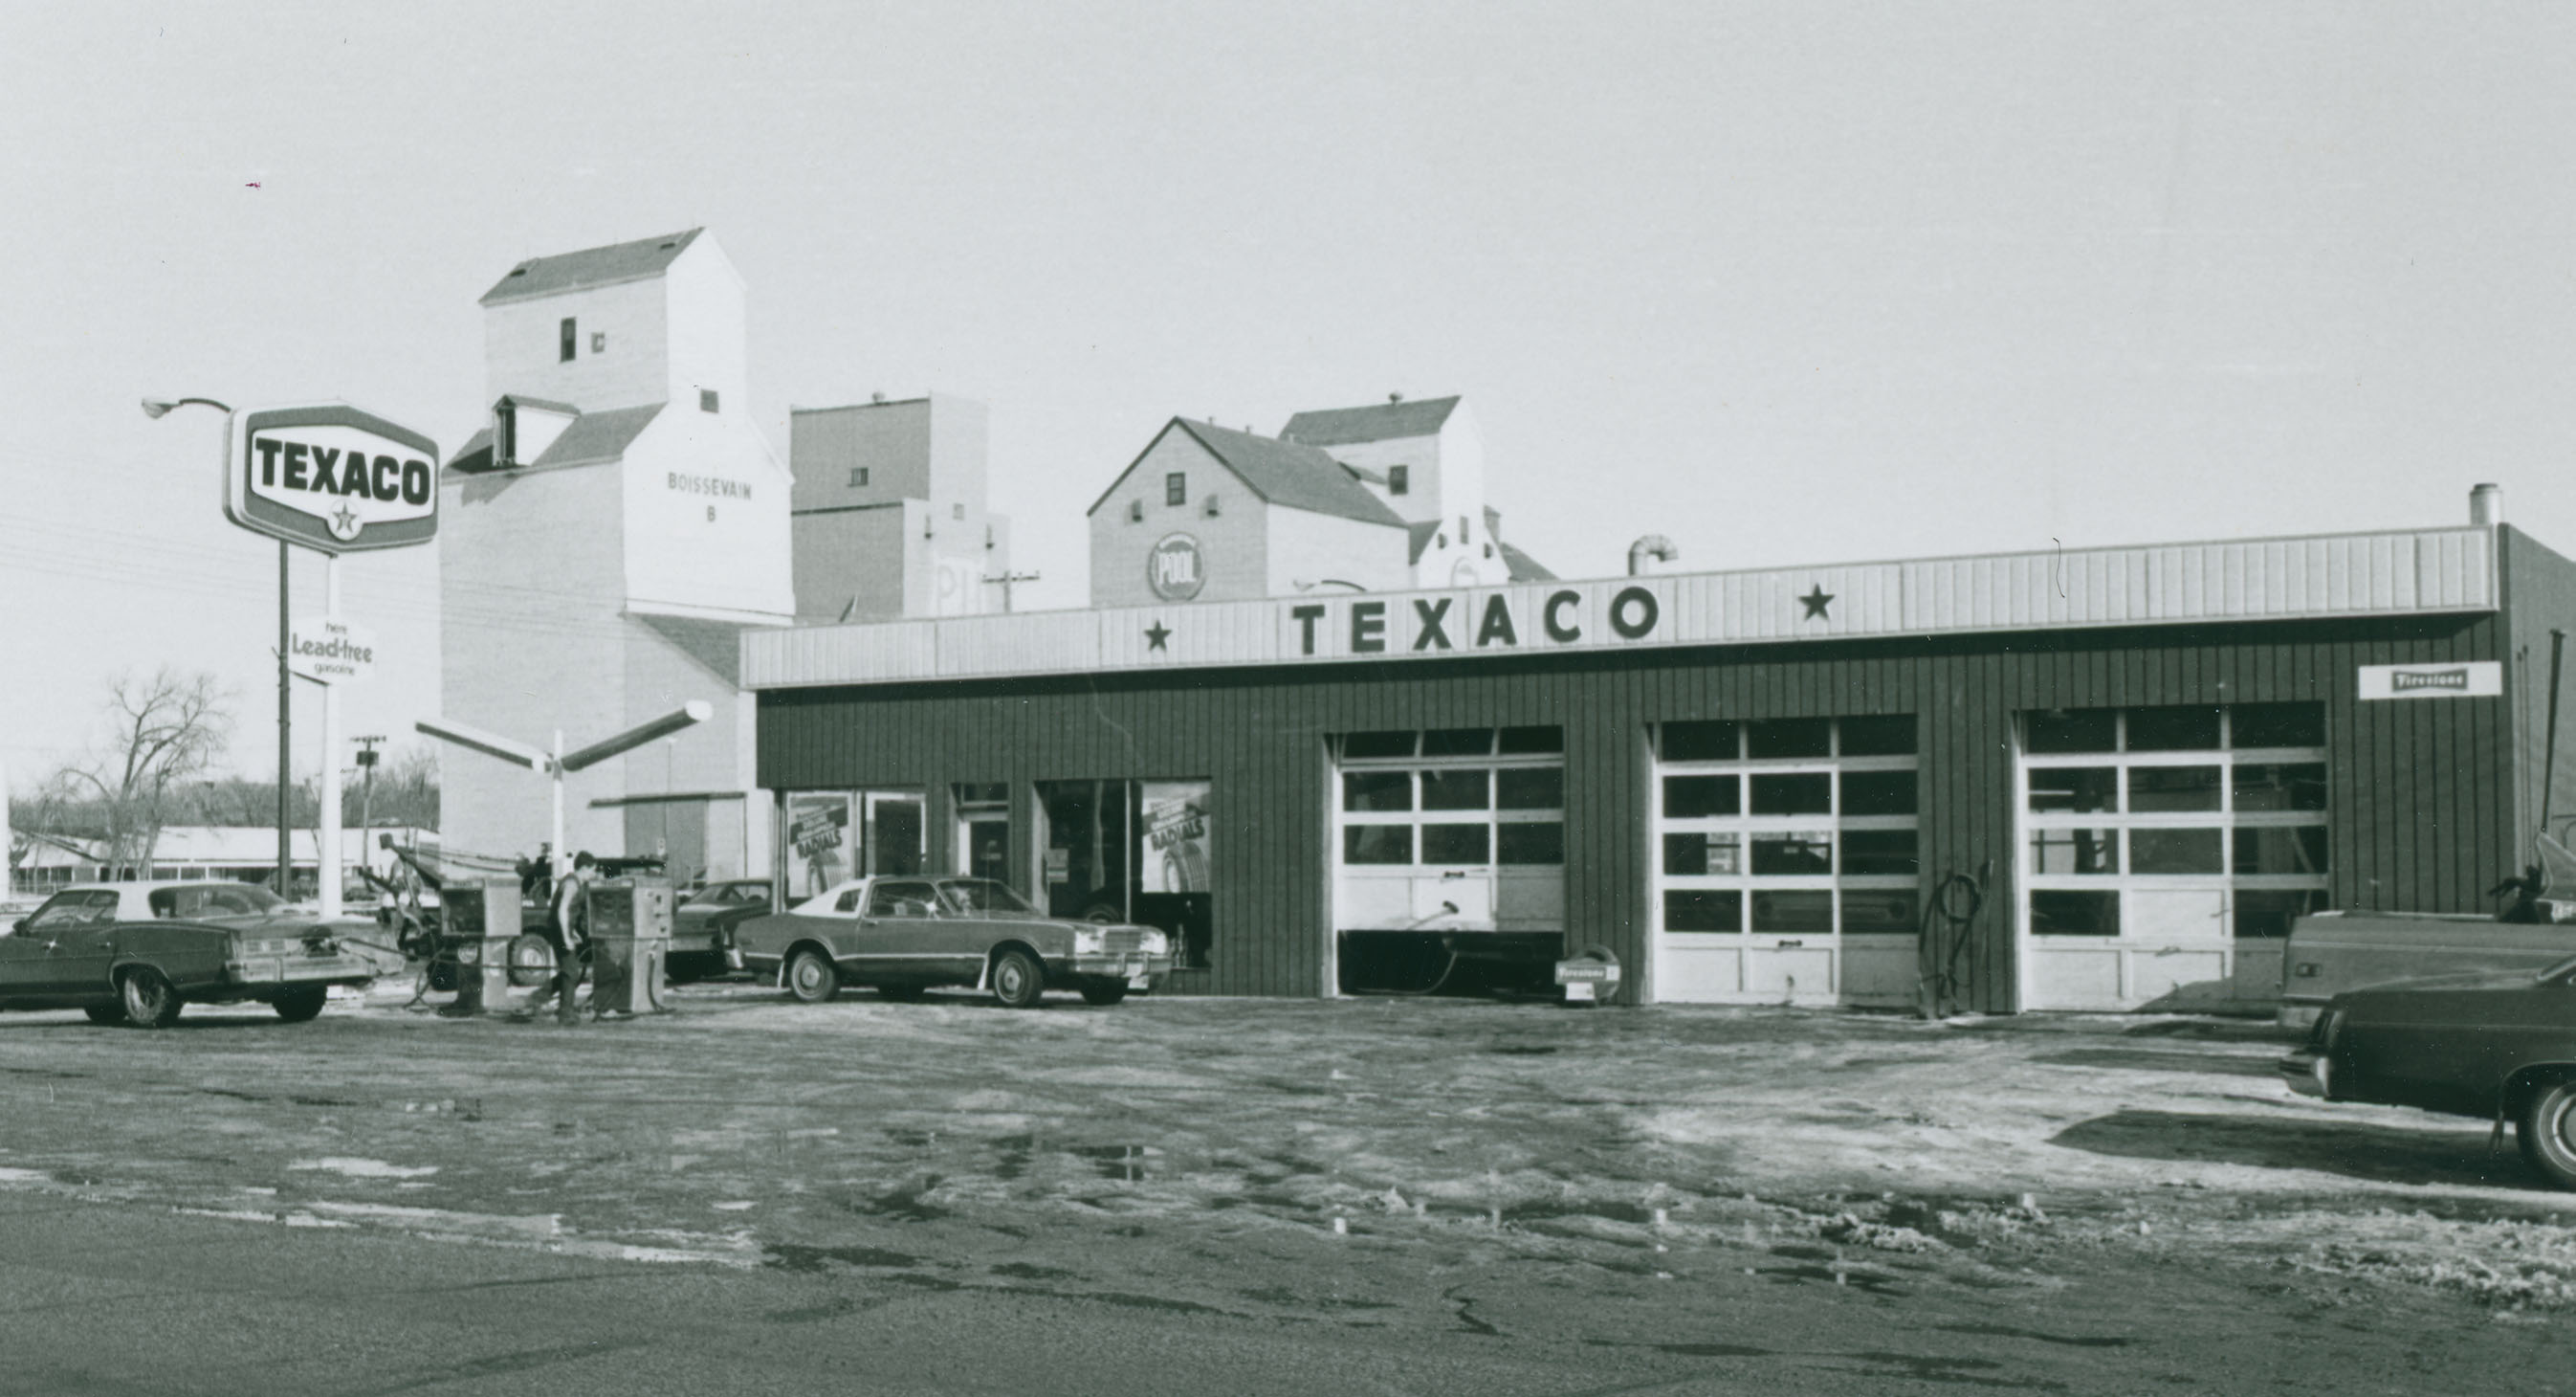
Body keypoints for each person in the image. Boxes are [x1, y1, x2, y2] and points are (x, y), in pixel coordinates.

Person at [536, 851, 597, 1023]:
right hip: (559, 931)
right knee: (571, 972)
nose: (594, 874)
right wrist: (566, 937)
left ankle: (536, 999)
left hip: (563, 930)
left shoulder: (576, 883)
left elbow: (570, 912)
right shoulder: (572, 884)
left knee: (569, 971)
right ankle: (565, 1013)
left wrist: (572, 931)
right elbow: (562, 909)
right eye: (593, 870)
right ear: (584, 868)